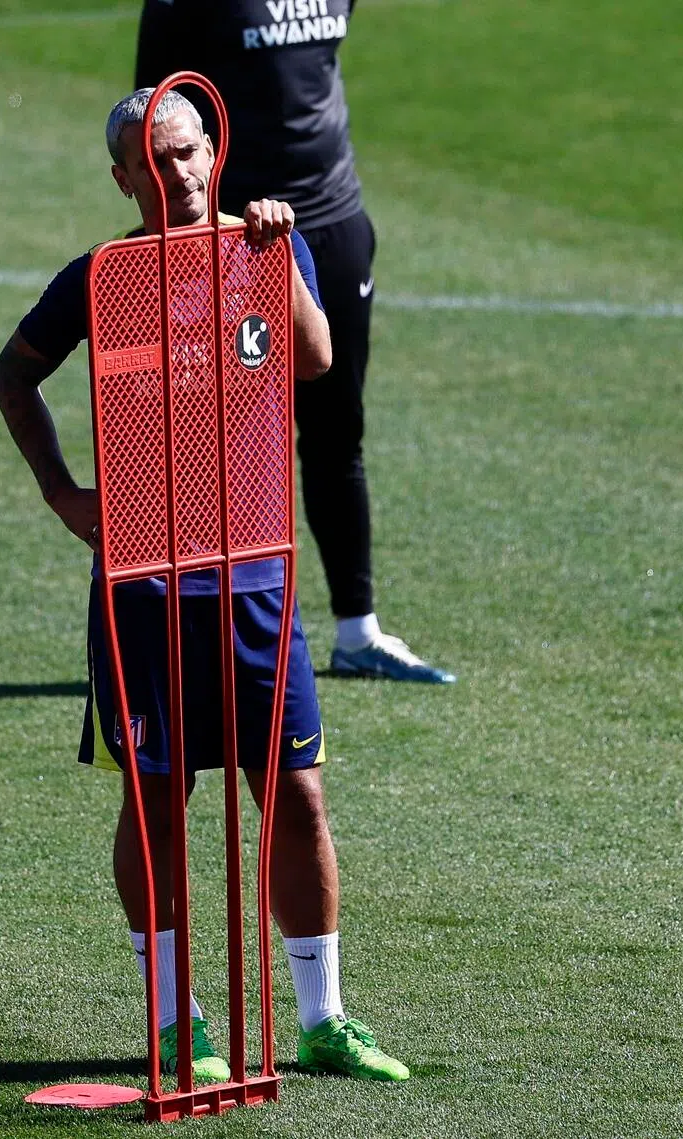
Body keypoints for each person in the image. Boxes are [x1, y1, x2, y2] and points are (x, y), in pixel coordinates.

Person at [0, 88, 409, 1083]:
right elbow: (14, 373)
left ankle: (323, 1017)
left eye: (188, 155)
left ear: (214, 151)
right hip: (142, 583)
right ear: (124, 177)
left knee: (296, 793)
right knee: (158, 801)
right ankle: (179, 1021)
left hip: (257, 572)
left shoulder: (265, 247)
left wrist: (277, 259)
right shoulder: (105, 276)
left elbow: (315, 360)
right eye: (154, 161)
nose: (176, 175)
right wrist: (61, 492)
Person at [135, 0, 457, 685]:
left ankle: (357, 633)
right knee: (214, 436)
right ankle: (196, 632)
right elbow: (151, 120)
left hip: (334, 224)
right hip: (237, 239)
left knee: (338, 430)